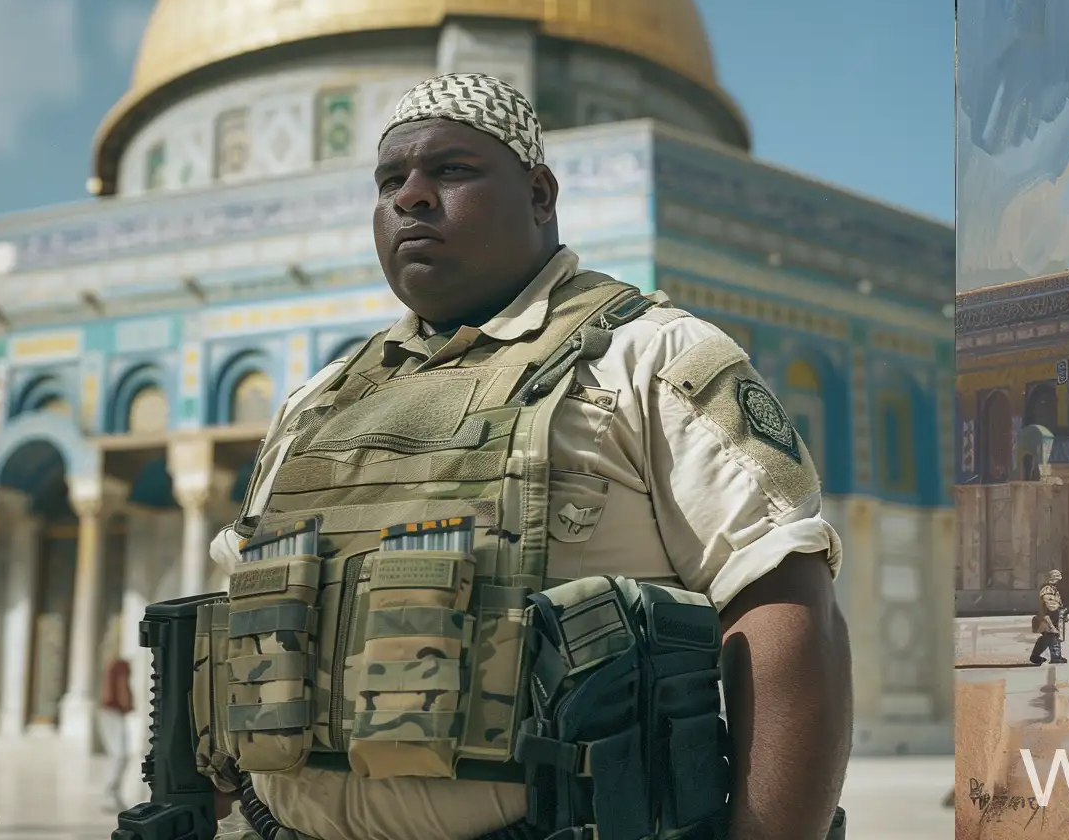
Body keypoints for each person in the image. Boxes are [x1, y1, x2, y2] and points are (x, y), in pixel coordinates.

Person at [134, 73, 850, 840]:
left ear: (539, 194)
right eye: (389, 181)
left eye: (450, 170)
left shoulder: (650, 359)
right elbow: (241, 644)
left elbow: (784, 605)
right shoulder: (317, 403)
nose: (410, 197)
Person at [97, 655, 135, 810]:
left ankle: (114, 793)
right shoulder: (119, 668)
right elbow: (121, 692)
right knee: (119, 755)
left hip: (116, 713)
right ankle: (109, 794)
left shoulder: (120, 666)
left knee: (122, 756)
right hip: (112, 713)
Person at [1027, 570, 1067, 666]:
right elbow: (1050, 604)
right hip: (1047, 617)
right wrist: (1058, 608)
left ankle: (1035, 656)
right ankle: (1056, 657)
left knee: (1046, 638)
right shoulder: (1047, 589)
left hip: (1052, 616)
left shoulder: (1053, 589)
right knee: (1053, 636)